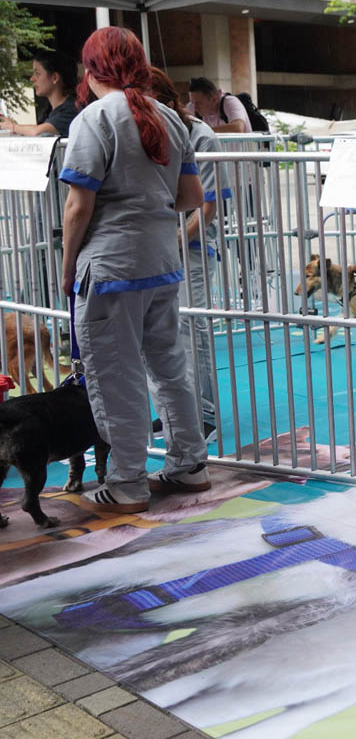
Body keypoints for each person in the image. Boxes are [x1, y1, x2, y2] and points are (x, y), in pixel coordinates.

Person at [59, 27, 209, 513]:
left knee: (114, 374)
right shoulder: (170, 117)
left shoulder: (92, 120)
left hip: (110, 266)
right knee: (169, 366)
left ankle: (127, 482)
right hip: (162, 262)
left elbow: (77, 208)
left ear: (91, 69)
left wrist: (66, 269)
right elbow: (190, 198)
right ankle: (190, 465)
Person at [148, 66, 230, 444]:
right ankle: (169, 412)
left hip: (193, 250)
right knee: (158, 333)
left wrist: (174, 242)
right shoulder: (148, 134)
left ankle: (205, 413)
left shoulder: (203, 137)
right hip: (157, 249)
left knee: (193, 329)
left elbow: (207, 208)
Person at [0, 51, 79, 137]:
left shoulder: (71, 109)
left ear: (55, 77)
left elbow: (37, 132)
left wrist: (13, 127)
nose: (32, 79)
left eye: (37, 73)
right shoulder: (51, 110)